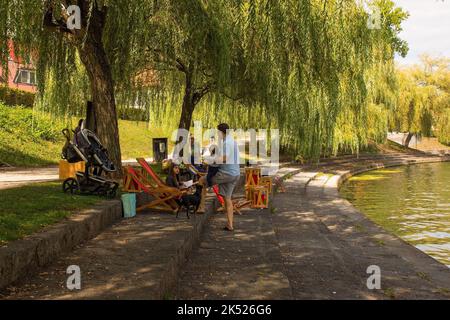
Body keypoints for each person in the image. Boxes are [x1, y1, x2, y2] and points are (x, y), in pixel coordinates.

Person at [200, 123, 240, 231]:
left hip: (226, 173)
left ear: (222, 132)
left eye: (218, 132)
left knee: (202, 180)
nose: (217, 134)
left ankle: (201, 208)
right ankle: (230, 224)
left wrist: (210, 161)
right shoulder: (233, 142)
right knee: (227, 198)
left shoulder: (227, 143)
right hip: (235, 174)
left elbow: (224, 159)